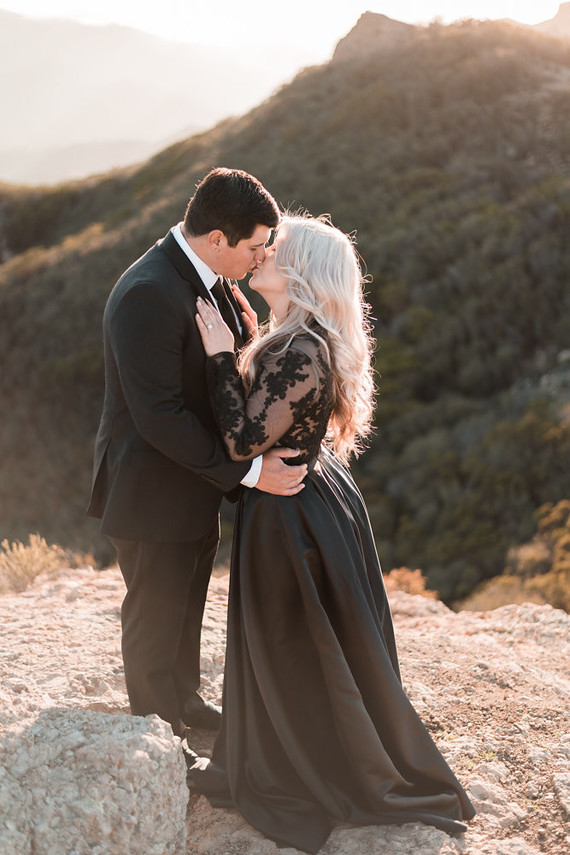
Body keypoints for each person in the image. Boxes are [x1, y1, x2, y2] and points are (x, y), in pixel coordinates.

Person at [187, 213, 475, 853]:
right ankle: (291, 745)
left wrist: (219, 357)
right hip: (307, 497)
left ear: (301, 271)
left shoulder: (300, 351)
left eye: (275, 247)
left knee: (294, 639)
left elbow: (242, 440)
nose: (263, 251)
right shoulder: (293, 338)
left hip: (292, 512)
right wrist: (247, 339)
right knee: (301, 640)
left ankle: (303, 761)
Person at [87, 168, 308, 740]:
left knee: (186, 604)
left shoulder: (210, 275)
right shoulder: (148, 294)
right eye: (255, 247)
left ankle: (183, 700)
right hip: (151, 490)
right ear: (217, 238)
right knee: (155, 616)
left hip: (194, 482)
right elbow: (159, 416)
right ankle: (158, 732)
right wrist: (250, 472)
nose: (260, 258)